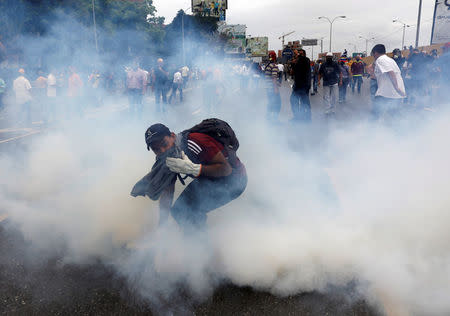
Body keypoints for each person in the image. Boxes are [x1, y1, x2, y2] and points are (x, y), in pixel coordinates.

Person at [140, 121, 247, 232]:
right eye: (156, 149)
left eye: (164, 143)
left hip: (234, 180)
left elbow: (226, 169)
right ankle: (196, 239)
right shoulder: (165, 158)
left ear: (172, 136)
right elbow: (168, 190)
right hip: (208, 180)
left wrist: (194, 169)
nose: (162, 150)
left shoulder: (194, 142)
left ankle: (202, 245)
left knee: (187, 212)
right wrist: (162, 224)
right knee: (179, 211)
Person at [370, 44, 406, 121]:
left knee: (374, 117)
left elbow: (390, 72)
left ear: (375, 53)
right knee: (394, 119)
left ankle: (370, 132)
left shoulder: (380, 59)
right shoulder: (390, 60)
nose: (373, 56)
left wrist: (397, 88)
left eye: (373, 54)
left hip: (386, 94)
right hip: (394, 95)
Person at [290, 49, 311, 122]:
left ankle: (307, 118)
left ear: (304, 54)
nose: (299, 55)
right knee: (293, 100)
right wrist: (293, 64)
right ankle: (298, 117)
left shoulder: (306, 60)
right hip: (297, 85)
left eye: (301, 54)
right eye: (299, 53)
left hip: (304, 85)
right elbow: (293, 72)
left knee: (305, 102)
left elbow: (302, 62)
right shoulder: (297, 61)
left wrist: (297, 56)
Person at [265, 51, 281, 121]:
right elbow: (274, 77)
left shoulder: (268, 65)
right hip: (272, 89)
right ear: (275, 57)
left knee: (270, 103)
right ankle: (275, 120)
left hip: (268, 88)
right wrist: (276, 89)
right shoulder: (274, 66)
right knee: (277, 104)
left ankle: (269, 118)